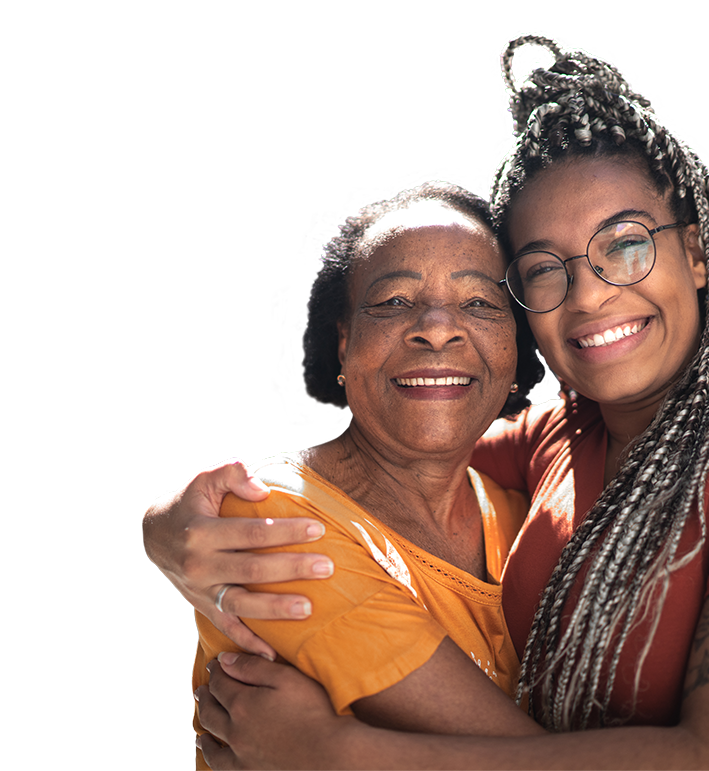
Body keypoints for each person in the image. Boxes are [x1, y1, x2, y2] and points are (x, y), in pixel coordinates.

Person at [143, 32, 709, 771]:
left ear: (696, 254)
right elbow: (396, 450)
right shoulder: (555, 443)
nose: (591, 293)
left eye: (625, 243)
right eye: (543, 268)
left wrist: (346, 753)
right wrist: (172, 526)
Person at [180, 176, 558, 768]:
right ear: (343, 343)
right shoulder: (270, 516)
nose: (436, 327)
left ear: (518, 351)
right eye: (394, 303)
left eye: (480, 303)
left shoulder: (526, 522)